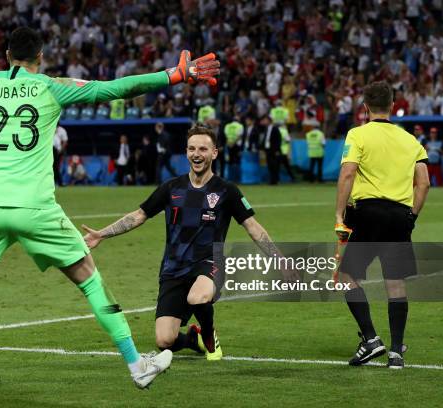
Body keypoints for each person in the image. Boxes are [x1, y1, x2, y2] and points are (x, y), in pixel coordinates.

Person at [0, 27, 219, 388]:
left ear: (7, 55)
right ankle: (137, 366)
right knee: (90, 280)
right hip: (36, 208)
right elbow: (113, 89)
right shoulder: (49, 86)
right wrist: (173, 74)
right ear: (40, 57)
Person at [82, 124, 296, 361]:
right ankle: (191, 339)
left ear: (214, 153)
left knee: (197, 297)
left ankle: (208, 334)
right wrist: (101, 234)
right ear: (186, 152)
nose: (197, 154)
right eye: (192, 148)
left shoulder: (227, 191)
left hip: (209, 263)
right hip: (173, 268)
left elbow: (253, 227)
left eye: (203, 149)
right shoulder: (172, 188)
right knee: (165, 340)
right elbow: (139, 215)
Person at [336, 81, 430, 369]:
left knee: (347, 277)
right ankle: (396, 353)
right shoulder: (411, 140)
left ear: (365, 107)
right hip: (400, 216)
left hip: (368, 213)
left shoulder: (358, 134)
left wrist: (340, 214)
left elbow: (348, 174)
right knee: (396, 284)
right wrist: (411, 216)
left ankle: (371, 339)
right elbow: (424, 183)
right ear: (392, 106)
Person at [260, 115, 282, 185]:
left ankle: (275, 180)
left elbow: (278, 140)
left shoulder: (275, 128)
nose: (264, 121)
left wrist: (277, 150)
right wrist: (262, 147)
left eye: (265, 120)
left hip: (274, 150)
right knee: (269, 165)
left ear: (269, 120)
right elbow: (265, 139)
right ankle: (272, 180)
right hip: (268, 149)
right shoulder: (266, 129)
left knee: (274, 165)